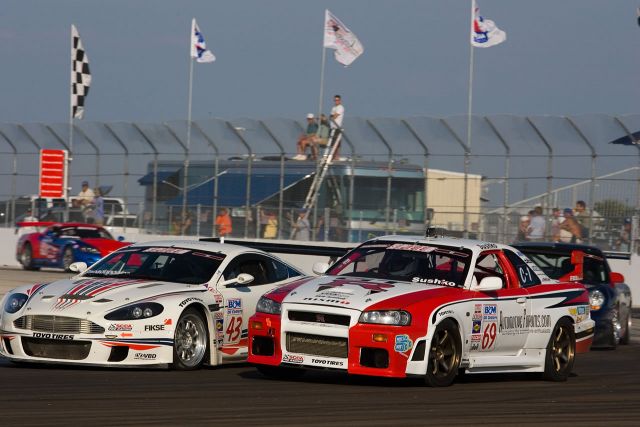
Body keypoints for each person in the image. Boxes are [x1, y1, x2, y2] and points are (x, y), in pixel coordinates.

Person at [329, 95, 345, 160]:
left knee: (337, 143)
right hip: (332, 127)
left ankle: (336, 156)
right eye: (335, 100)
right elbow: (330, 116)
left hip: (337, 127)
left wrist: (332, 116)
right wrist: (332, 116)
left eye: (337, 100)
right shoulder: (333, 108)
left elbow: (334, 116)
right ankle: (333, 156)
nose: (336, 101)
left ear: (340, 100)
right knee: (332, 143)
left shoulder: (341, 107)